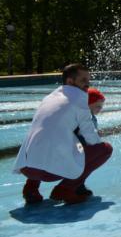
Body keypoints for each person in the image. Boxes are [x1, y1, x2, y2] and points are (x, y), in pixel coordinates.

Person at [13, 64, 113, 205]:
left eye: (88, 80)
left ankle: (31, 188)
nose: (87, 84)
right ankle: (66, 188)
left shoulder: (49, 97)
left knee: (44, 139)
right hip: (48, 172)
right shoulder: (80, 99)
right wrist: (93, 146)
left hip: (26, 167)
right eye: (83, 80)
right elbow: (91, 137)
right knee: (104, 149)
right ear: (70, 82)